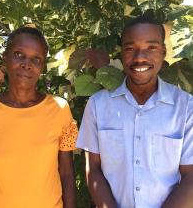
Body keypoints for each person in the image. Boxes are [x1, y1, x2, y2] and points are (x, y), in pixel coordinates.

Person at [76, 15, 193, 208]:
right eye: (130, 48)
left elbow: (190, 177)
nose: (140, 57)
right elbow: (93, 169)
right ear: (122, 53)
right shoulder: (98, 105)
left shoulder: (186, 107)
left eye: (151, 47)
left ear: (163, 52)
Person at [0, 27, 77, 208]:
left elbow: (67, 175)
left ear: (42, 66)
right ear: (5, 57)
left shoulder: (59, 109)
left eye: (36, 59)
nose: (26, 64)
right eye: (19, 54)